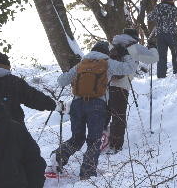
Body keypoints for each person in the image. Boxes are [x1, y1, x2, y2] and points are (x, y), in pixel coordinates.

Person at [51, 41, 137, 179]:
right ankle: (87, 173)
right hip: (97, 105)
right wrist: (125, 54)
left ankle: (59, 156)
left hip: (77, 103)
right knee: (94, 140)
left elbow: (61, 81)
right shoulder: (107, 62)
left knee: (77, 138)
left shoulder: (82, 63)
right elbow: (129, 69)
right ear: (106, 52)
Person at [106, 28, 159, 154]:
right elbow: (153, 59)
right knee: (119, 116)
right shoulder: (133, 46)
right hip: (121, 85)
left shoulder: (111, 45)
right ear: (135, 38)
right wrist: (153, 47)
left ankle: (98, 142)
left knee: (105, 114)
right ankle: (114, 146)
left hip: (104, 84)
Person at [0, 52, 56, 125]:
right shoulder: (14, 82)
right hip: (13, 130)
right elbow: (33, 97)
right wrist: (53, 105)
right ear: (7, 67)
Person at [148, 0, 177, 78]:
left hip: (160, 35)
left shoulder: (158, 8)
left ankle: (161, 74)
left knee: (161, 55)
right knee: (175, 52)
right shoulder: (171, 8)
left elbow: (149, 17)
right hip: (171, 33)